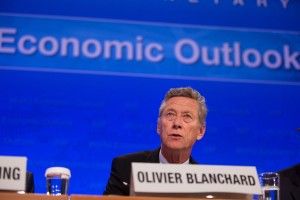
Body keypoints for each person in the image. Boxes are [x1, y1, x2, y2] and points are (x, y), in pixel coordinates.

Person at [103, 87, 207, 195]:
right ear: (158, 126)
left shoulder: (207, 182)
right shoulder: (126, 167)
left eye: (187, 116)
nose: (177, 123)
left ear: (200, 131)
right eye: (170, 114)